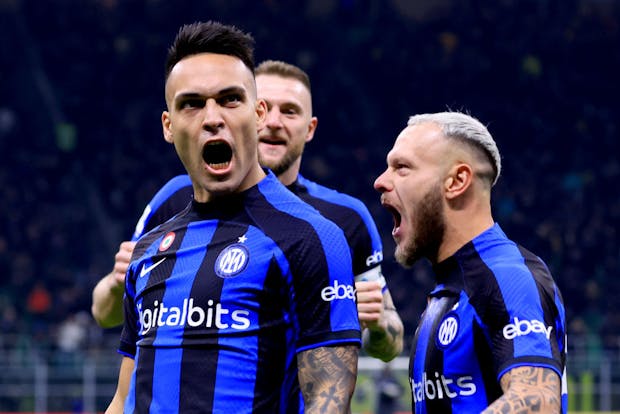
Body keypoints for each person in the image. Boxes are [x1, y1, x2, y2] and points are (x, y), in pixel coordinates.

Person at [105, 21, 360, 413]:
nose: (212, 117)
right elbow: (123, 398)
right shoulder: (149, 249)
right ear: (168, 126)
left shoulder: (311, 238)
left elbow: (328, 401)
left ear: (257, 115)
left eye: (229, 99)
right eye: (192, 103)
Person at [92, 61, 404, 361]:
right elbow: (104, 314)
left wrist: (376, 326)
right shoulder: (177, 197)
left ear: (310, 129)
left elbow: (391, 345)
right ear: (250, 115)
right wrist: (118, 283)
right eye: (265, 108)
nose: (275, 122)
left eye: (290, 111)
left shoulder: (345, 218)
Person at [373, 111, 567, 413]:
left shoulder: (508, 277)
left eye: (402, 168)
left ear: (457, 181)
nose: (380, 182)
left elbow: (538, 402)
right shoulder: (447, 292)